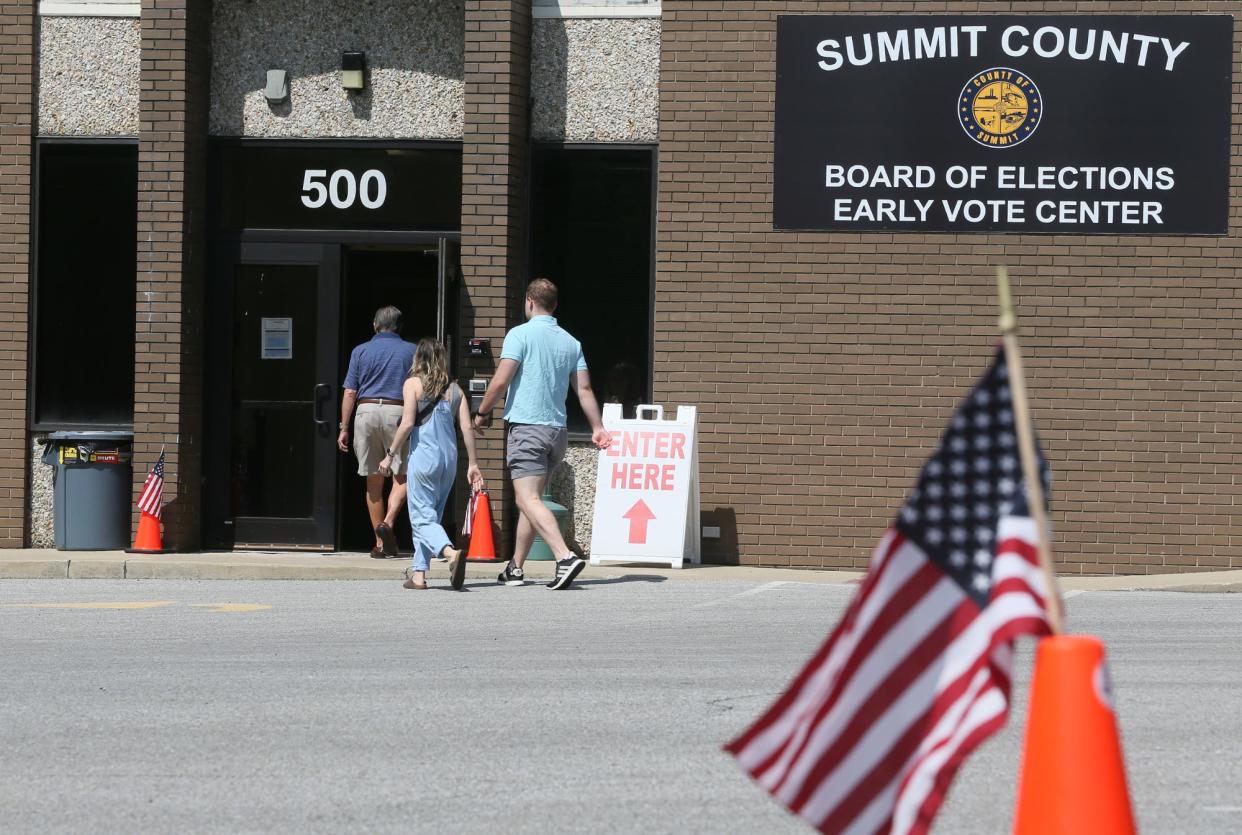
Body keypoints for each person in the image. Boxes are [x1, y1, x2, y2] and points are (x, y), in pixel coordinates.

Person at [473, 277, 612, 590]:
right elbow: (585, 388)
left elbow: (500, 381)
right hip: (557, 432)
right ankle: (515, 568)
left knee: (528, 498)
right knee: (531, 500)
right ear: (555, 305)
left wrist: (482, 413)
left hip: (528, 428)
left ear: (529, 301)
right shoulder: (570, 342)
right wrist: (597, 427)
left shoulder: (519, 335)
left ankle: (564, 557)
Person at [379, 339, 484, 590]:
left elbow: (406, 424)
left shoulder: (413, 384)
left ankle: (449, 554)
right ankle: (419, 575)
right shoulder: (456, 390)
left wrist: (390, 455)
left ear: (419, 358)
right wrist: (473, 464)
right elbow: (467, 427)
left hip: (424, 457)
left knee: (421, 518)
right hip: (449, 460)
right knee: (430, 517)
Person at [338, 305, 417, 559]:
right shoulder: (411, 351)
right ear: (399, 326)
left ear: (375, 325)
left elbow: (350, 391)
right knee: (402, 475)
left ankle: (380, 543)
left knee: (373, 480)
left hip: (366, 411)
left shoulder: (360, 351)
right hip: (398, 412)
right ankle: (389, 524)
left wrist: (344, 426)